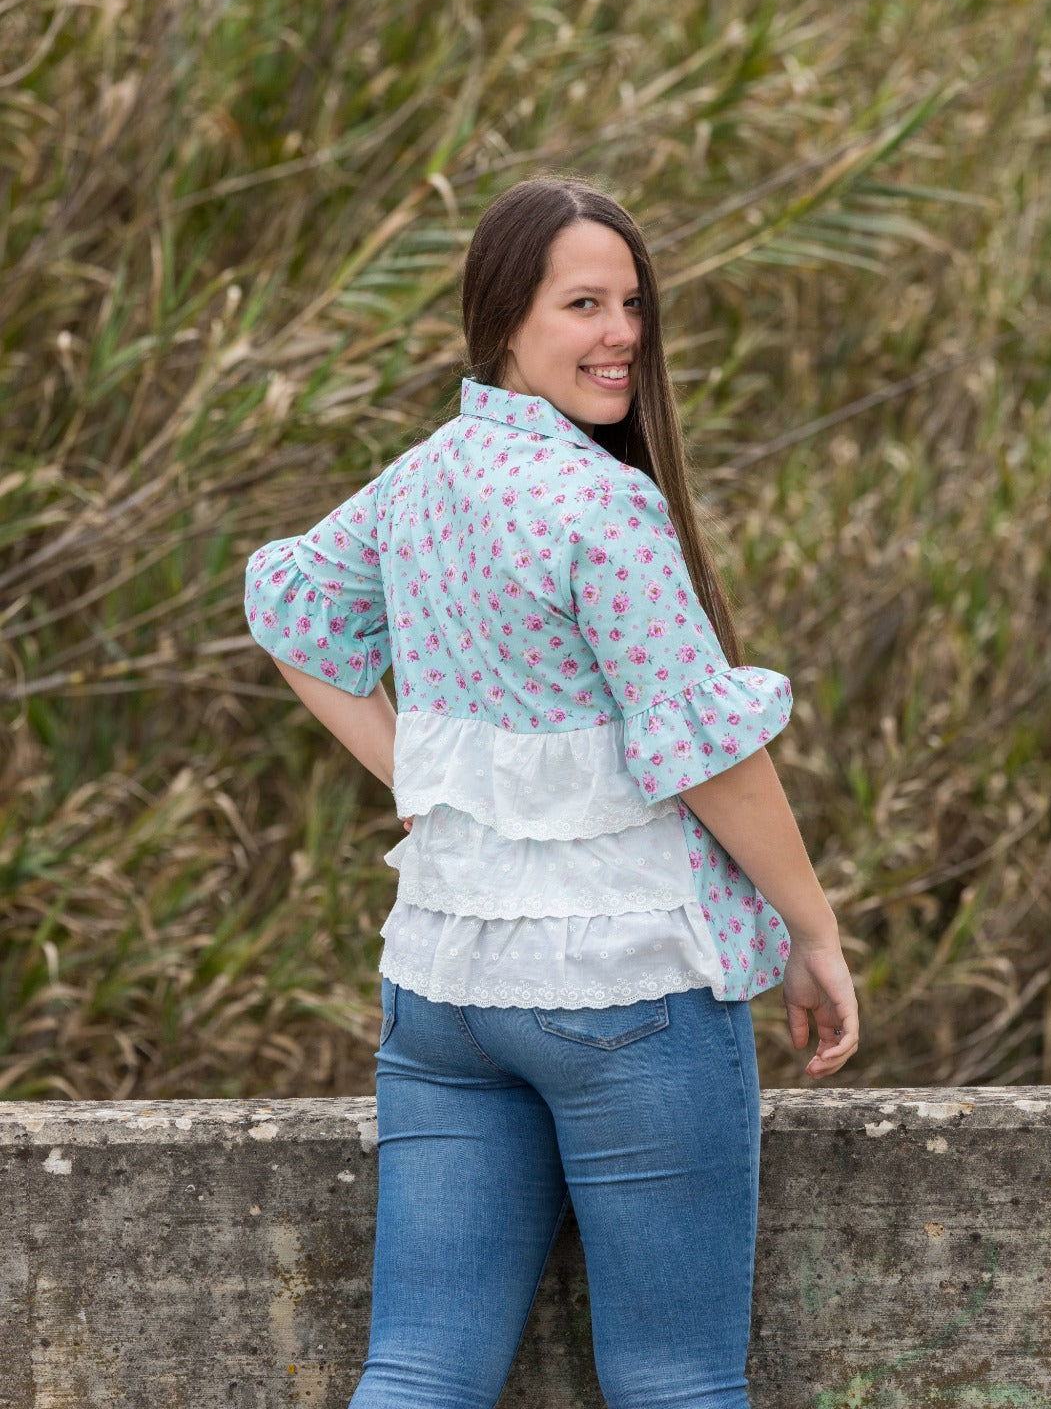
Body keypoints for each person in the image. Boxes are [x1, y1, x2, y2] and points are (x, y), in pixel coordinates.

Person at [244, 176, 859, 1409]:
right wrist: (812, 929)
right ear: (504, 321)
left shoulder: (420, 482)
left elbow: (290, 606)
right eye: (583, 302)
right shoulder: (603, 504)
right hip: (622, 984)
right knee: (676, 1378)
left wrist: (423, 781)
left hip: (448, 989)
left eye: (630, 301)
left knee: (418, 1369)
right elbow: (705, 749)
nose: (621, 331)